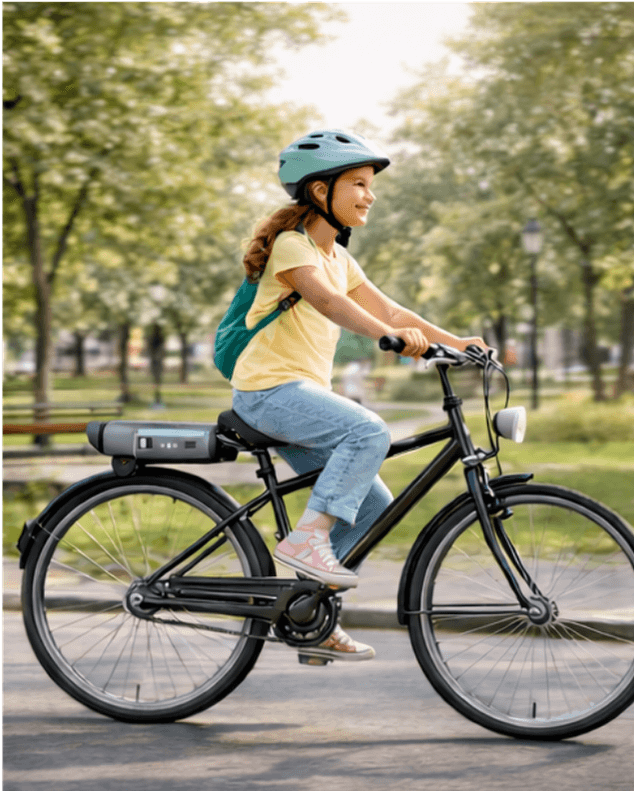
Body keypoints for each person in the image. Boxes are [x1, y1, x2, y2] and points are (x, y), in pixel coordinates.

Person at [231, 129, 487, 662]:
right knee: (367, 429)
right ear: (319, 190)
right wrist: (385, 340)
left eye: (370, 185)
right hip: (265, 392)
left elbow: (395, 312)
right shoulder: (293, 246)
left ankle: (309, 611)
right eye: (358, 183)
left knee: (373, 501)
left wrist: (454, 341)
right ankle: (307, 541)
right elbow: (327, 303)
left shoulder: (340, 258)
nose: (369, 195)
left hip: (298, 394)